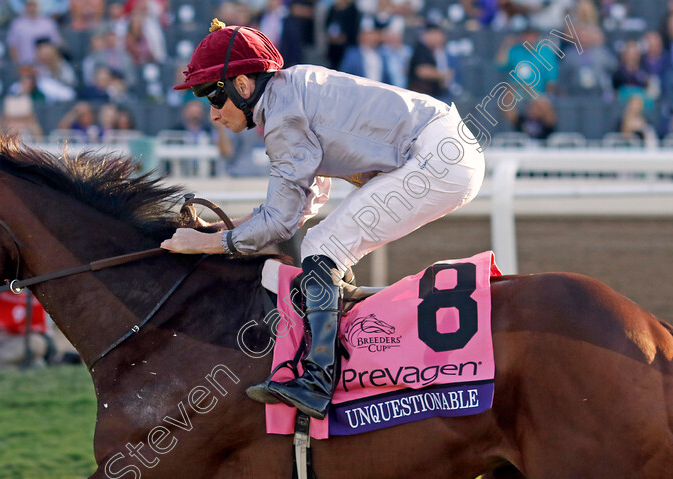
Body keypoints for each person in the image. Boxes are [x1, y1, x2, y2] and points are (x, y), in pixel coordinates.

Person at [163, 20, 485, 419]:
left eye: (211, 96)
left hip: (438, 157)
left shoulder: (282, 116)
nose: (212, 113)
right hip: (444, 149)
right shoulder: (289, 92)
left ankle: (317, 381)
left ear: (243, 86)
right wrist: (221, 231)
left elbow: (280, 222)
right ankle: (348, 358)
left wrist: (208, 244)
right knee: (326, 245)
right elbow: (302, 204)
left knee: (323, 246)